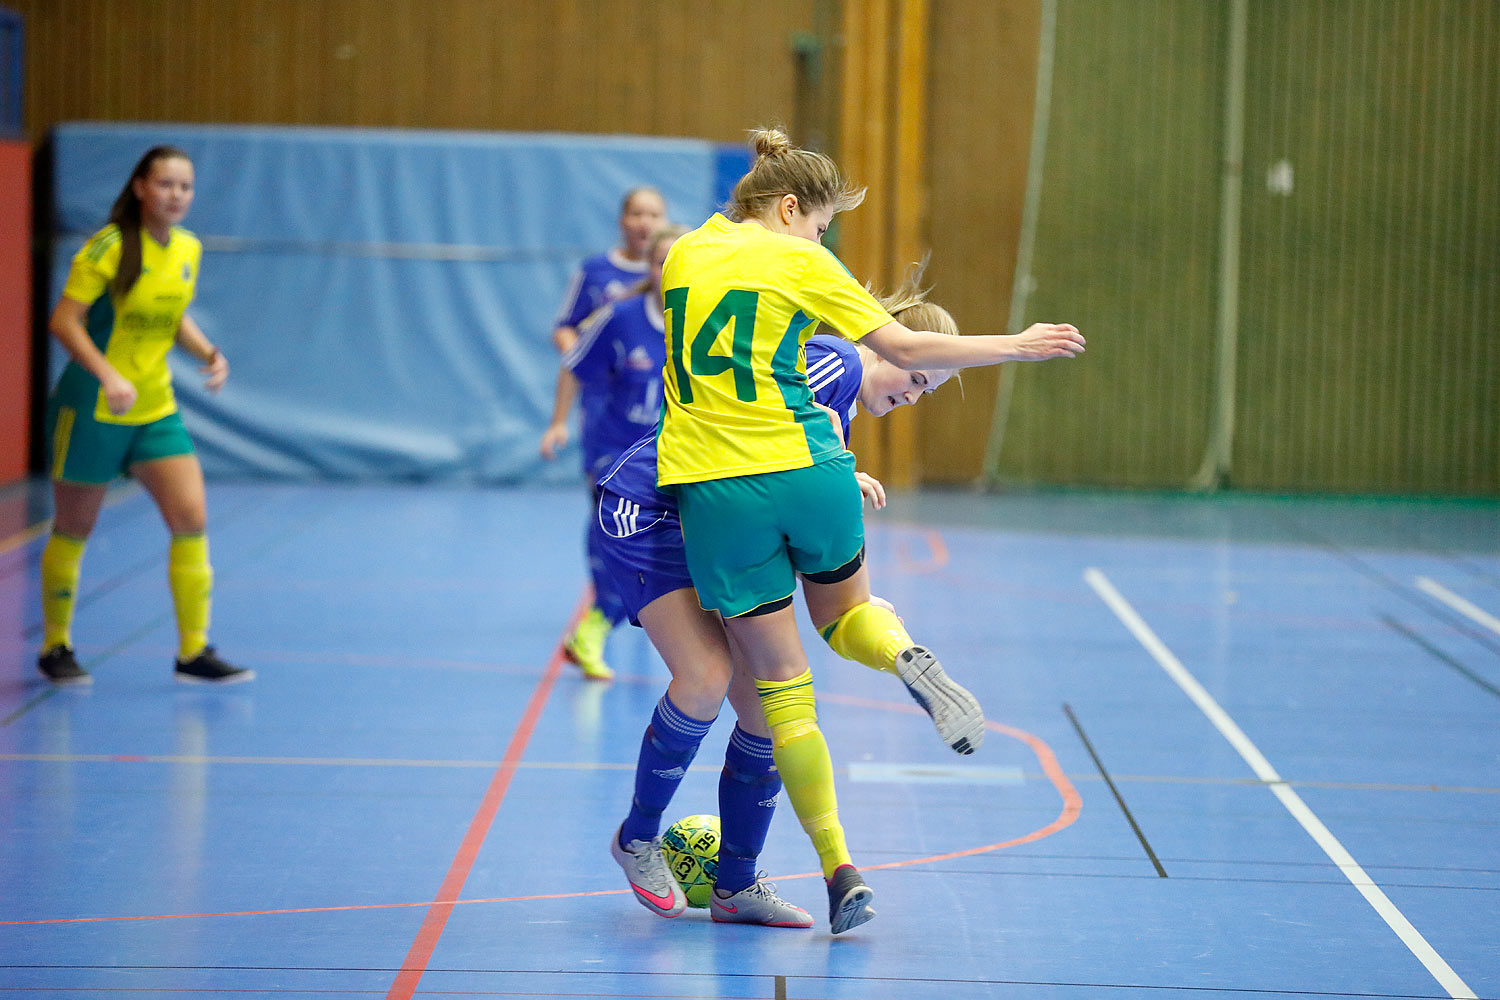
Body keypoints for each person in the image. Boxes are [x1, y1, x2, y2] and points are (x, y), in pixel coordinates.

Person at [655, 128, 1085, 932]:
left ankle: (837, 866)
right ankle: (901, 652)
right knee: (847, 614)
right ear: (790, 208)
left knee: (781, 696)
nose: (822, 240)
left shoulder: (685, 254)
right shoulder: (804, 263)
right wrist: (1018, 345)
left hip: (714, 487)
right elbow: (902, 341)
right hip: (809, 472)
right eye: (820, 226)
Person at [599, 273, 987, 933]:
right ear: (892, 346)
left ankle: (736, 884)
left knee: (764, 706)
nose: (913, 397)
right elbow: (748, 428)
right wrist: (831, 468)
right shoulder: (833, 358)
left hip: (715, 521)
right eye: (918, 380)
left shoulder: (839, 401)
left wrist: (837, 467)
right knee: (706, 677)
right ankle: (636, 837)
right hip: (654, 511)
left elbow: (782, 446)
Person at [37, 145, 251, 687]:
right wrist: (108, 376)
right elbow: (64, 322)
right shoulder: (107, 247)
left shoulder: (187, 248)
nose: (176, 195)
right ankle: (56, 646)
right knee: (75, 528)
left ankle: (192, 651)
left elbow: (173, 317)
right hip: (92, 409)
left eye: (185, 186)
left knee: (191, 518)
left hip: (154, 409)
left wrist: (209, 353)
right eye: (165, 184)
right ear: (140, 188)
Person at [540, 186, 668, 680]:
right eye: (637, 212)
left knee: (659, 540)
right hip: (610, 432)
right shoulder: (606, 292)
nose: (644, 221)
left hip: (664, 444)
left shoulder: (694, 315)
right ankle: (598, 618)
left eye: (654, 214)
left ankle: (625, 612)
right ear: (622, 220)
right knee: (611, 527)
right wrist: (558, 422)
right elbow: (569, 347)